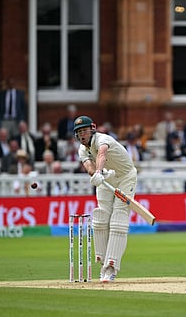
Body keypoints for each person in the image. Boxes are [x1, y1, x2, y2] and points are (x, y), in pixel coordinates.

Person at [74, 115, 137, 283]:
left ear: (92, 129)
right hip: (105, 178)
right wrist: (97, 174)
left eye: (84, 130)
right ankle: (102, 262)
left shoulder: (103, 139)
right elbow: (89, 166)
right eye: (79, 132)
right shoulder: (82, 149)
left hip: (125, 177)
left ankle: (111, 266)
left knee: (118, 218)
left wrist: (100, 171)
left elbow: (102, 154)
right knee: (101, 217)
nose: (82, 135)